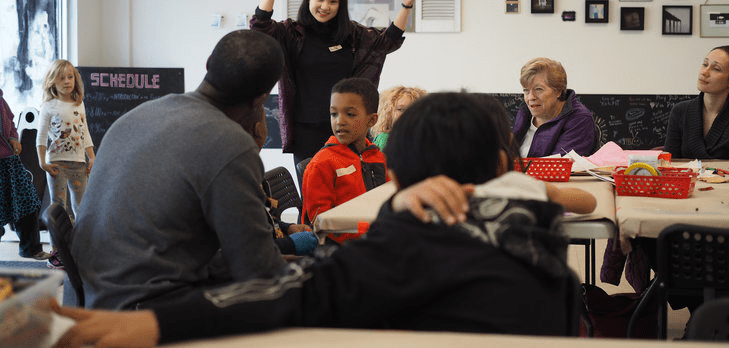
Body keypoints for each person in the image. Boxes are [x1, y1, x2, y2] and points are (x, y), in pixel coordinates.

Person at [52, 92, 596, 348]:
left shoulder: (414, 243)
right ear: (502, 166)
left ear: (398, 179)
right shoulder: (532, 219)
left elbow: (301, 289)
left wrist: (152, 323)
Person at [70, 30, 292, 310]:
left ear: (209, 63)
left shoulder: (138, 115)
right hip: (150, 311)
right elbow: (258, 269)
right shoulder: (231, 144)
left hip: (92, 302)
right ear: (261, 97)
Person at [250, 0, 426, 169]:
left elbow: (387, 42)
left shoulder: (351, 34)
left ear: (340, 4)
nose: (325, 6)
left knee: (347, 195)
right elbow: (260, 26)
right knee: (313, 197)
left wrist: (405, 7)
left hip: (346, 128)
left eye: (333, 1)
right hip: (306, 130)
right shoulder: (292, 33)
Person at [301, 77, 387, 243]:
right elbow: (322, 224)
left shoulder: (378, 157)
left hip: (376, 239)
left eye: (350, 114)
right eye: (334, 114)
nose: (339, 121)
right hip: (340, 249)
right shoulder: (321, 164)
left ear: (372, 120)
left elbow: (389, 202)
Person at [36, 59, 95, 268]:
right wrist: (42, 162)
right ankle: (57, 252)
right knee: (58, 207)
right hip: (56, 164)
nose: (67, 81)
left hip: (79, 163)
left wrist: (91, 155)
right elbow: (41, 136)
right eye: (62, 78)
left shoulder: (79, 102)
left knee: (82, 207)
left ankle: (81, 249)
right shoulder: (49, 106)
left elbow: (84, 130)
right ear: (52, 82)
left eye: (70, 77)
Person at [250, 106, 317, 256]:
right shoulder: (241, 181)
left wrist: (288, 228)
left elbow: (267, 218)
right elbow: (251, 250)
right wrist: (290, 244)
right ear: (259, 130)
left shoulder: (253, 171)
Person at [664, 45, 729, 159]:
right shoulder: (680, 111)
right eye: (705, 64)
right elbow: (670, 163)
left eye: (716, 69)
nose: (705, 72)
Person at [0, 88, 51, 260]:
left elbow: (10, 122)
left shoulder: (0, 97)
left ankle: (31, 249)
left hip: (9, 161)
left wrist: (14, 138)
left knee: (27, 202)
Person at [512, 57, 596, 157]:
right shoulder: (524, 112)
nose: (530, 97)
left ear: (558, 91)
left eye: (538, 89)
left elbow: (558, 167)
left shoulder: (579, 119)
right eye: (526, 90)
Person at [371, 85, 427, 150]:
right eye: (401, 109)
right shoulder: (386, 138)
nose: (407, 114)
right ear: (388, 113)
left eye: (413, 109)